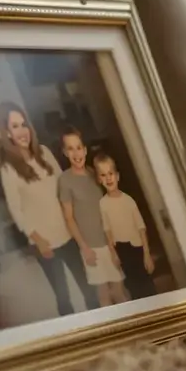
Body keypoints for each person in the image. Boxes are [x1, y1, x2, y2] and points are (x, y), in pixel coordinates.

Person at [0, 101, 99, 316]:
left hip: (68, 233)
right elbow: (16, 211)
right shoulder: (8, 169)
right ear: (7, 132)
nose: (22, 131)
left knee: (90, 290)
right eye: (15, 126)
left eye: (23, 124)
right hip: (45, 242)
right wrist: (38, 240)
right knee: (63, 298)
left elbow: (64, 189)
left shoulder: (44, 152)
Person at [57, 126, 130, 307]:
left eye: (79, 147)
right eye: (71, 148)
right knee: (104, 296)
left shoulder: (93, 173)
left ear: (85, 149)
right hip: (91, 248)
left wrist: (114, 244)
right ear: (65, 152)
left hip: (109, 243)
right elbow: (69, 218)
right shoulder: (65, 180)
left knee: (120, 292)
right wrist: (84, 249)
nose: (76, 153)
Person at [92, 152, 157, 300]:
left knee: (147, 284)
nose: (108, 178)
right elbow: (107, 229)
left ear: (117, 176)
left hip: (138, 248)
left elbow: (141, 227)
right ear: (98, 179)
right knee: (133, 287)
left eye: (110, 173)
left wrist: (147, 254)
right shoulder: (103, 204)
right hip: (122, 250)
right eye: (103, 175)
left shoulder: (129, 201)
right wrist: (113, 253)